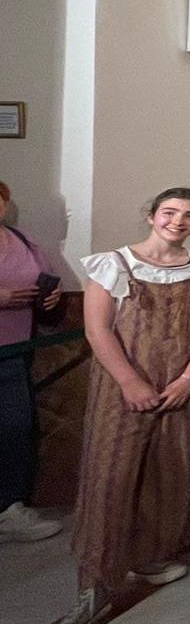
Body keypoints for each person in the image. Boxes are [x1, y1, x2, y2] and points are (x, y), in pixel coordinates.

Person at [72, 187, 190, 615]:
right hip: (123, 390)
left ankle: (151, 556)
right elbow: (97, 330)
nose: (179, 221)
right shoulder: (113, 264)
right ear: (151, 215)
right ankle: (97, 577)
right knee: (111, 475)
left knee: (170, 472)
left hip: (180, 388)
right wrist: (130, 382)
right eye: (170, 212)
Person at [0, 181, 64, 542]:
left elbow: (43, 278)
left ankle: (9, 509)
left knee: (14, 430)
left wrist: (51, 298)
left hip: (15, 351)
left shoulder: (21, 240)